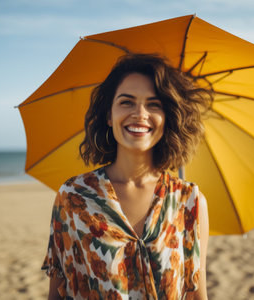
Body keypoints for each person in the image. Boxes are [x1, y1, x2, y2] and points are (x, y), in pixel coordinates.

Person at [42, 54, 211, 299]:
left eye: (154, 104)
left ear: (168, 118)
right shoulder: (73, 197)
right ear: (109, 116)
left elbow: (197, 295)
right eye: (126, 102)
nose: (140, 113)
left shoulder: (190, 201)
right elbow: (57, 294)